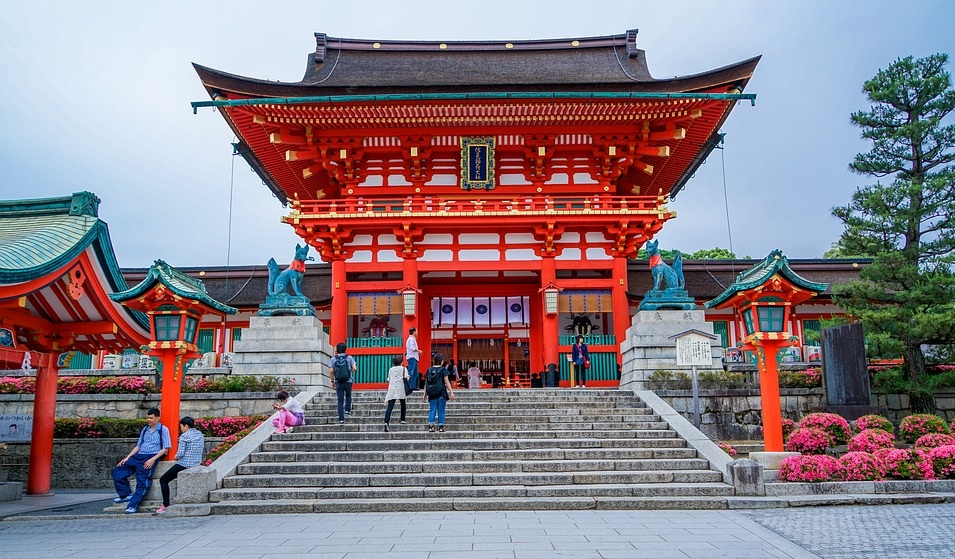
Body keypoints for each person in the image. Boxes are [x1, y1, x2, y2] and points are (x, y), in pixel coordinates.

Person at [112, 408, 171, 514]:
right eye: (148, 418)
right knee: (118, 470)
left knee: (142, 482)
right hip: (139, 455)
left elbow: (166, 448)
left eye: (151, 418)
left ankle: (132, 505)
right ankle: (125, 494)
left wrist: (153, 459)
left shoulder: (163, 429)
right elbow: (138, 446)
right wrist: (128, 457)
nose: (149, 420)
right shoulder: (145, 429)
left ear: (157, 418)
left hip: (151, 456)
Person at [156, 416, 205, 514]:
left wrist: (175, 457)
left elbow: (180, 454)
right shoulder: (200, 434)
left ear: (186, 426)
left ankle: (165, 505)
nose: (181, 429)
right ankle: (179, 495)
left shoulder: (184, 436)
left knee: (163, 480)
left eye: (181, 427)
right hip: (196, 463)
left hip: (185, 463)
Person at [423, 352, 454, 433]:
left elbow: (426, 383)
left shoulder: (429, 370)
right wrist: (451, 392)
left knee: (432, 409)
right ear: (441, 361)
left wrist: (424, 393)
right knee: (441, 410)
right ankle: (441, 426)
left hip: (432, 393)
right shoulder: (443, 370)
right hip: (441, 393)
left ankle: (431, 426)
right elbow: (446, 382)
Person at [329, 342, 356, 424]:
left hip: (338, 382)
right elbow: (354, 368)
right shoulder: (349, 357)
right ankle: (347, 410)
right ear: (345, 349)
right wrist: (349, 373)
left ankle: (341, 419)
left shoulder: (333, 359)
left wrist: (332, 381)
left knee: (340, 401)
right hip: (348, 381)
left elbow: (331, 371)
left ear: (337, 350)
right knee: (348, 395)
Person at [383, 355, 409, 432]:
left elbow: (389, 379)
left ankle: (386, 421)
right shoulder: (404, 369)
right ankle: (402, 419)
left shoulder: (391, 369)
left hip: (392, 388)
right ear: (401, 362)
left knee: (390, 406)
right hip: (401, 388)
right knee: (403, 403)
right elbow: (406, 377)